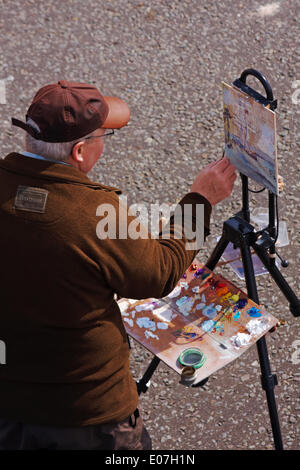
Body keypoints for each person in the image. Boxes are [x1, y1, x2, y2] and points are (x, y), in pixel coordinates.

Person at [0, 80, 236, 450]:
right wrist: (200, 200)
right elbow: (161, 272)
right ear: (79, 151)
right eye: (102, 138)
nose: (104, 145)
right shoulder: (93, 214)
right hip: (86, 416)